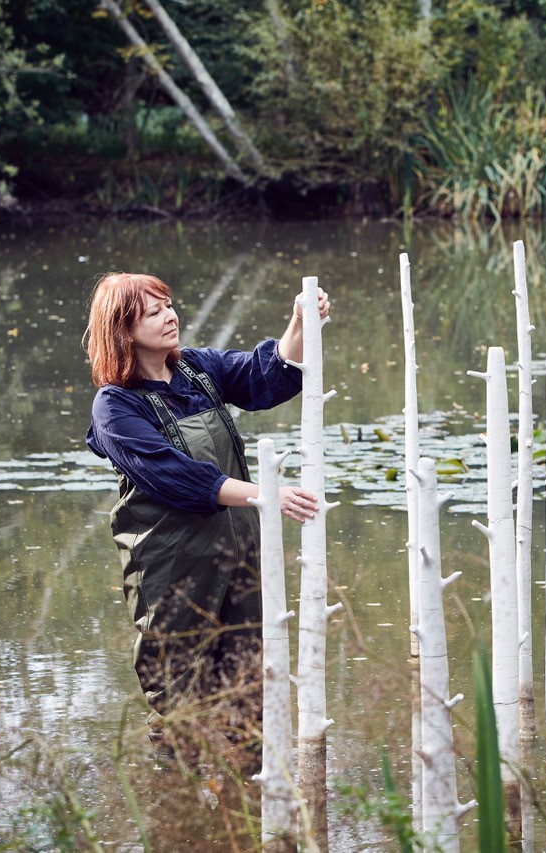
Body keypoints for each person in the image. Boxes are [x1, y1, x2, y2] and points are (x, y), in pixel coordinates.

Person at [83, 271, 329, 749]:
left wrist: (299, 324)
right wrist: (264, 493)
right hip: (170, 570)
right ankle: (181, 814)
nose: (170, 316)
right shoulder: (114, 407)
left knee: (248, 693)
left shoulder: (196, 369)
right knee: (181, 705)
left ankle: (247, 811)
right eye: (153, 312)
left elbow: (263, 378)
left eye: (168, 305)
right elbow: (174, 476)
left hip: (236, 558)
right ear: (122, 330)